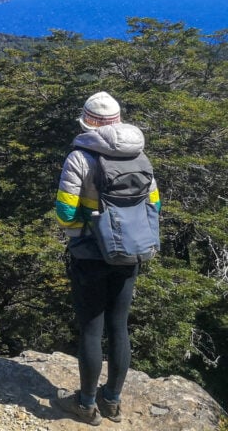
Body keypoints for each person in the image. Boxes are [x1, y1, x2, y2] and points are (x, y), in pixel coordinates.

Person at [52, 91, 161, 425]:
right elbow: (153, 204)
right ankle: (111, 401)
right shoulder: (139, 156)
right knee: (119, 327)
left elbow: (65, 212)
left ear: (88, 122)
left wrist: (86, 231)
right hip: (130, 254)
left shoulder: (80, 158)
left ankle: (85, 405)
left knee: (90, 329)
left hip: (89, 255)